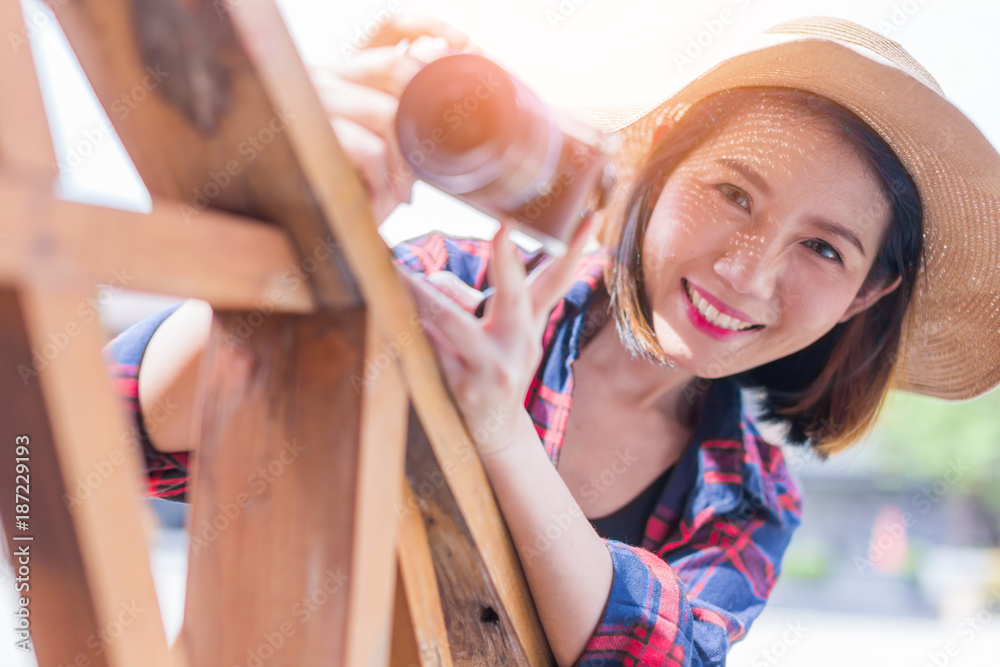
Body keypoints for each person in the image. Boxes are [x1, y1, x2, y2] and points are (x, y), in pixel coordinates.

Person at [101, 16, 1000, 667]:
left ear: (866, 293)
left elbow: (648, 654)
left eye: (822, 247)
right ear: (657, 166)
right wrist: (307, 245)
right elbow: (118, 430)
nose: (747, 272)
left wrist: (496, 425)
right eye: (732, 192)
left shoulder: (752, 500)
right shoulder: (457, 285)